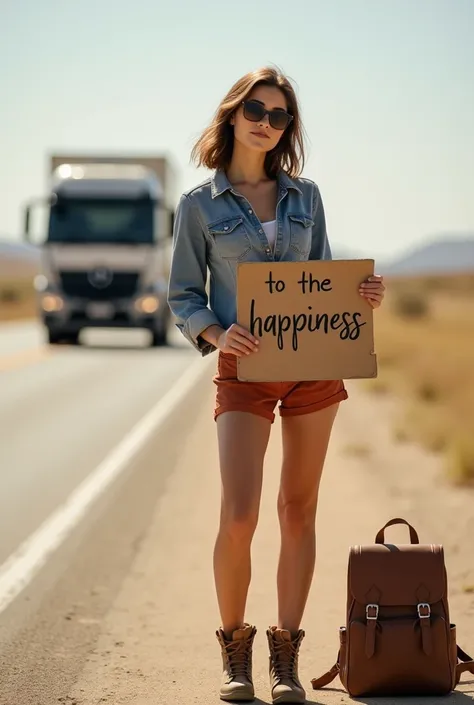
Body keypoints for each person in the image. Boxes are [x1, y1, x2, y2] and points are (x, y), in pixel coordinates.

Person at [168, 66, 385, 704]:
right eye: (256, 111)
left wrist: (362, 294)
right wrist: (214, 333)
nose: (267, 123)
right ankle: (235, 648)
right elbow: (183, 294)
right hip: (244, 371)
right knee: (239, 514)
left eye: (280, 115)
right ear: (233, 115)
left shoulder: (306, 198)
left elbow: (318, 281)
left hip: (313, 366)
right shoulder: (199, 207)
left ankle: (286, 656)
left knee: (299, 510)